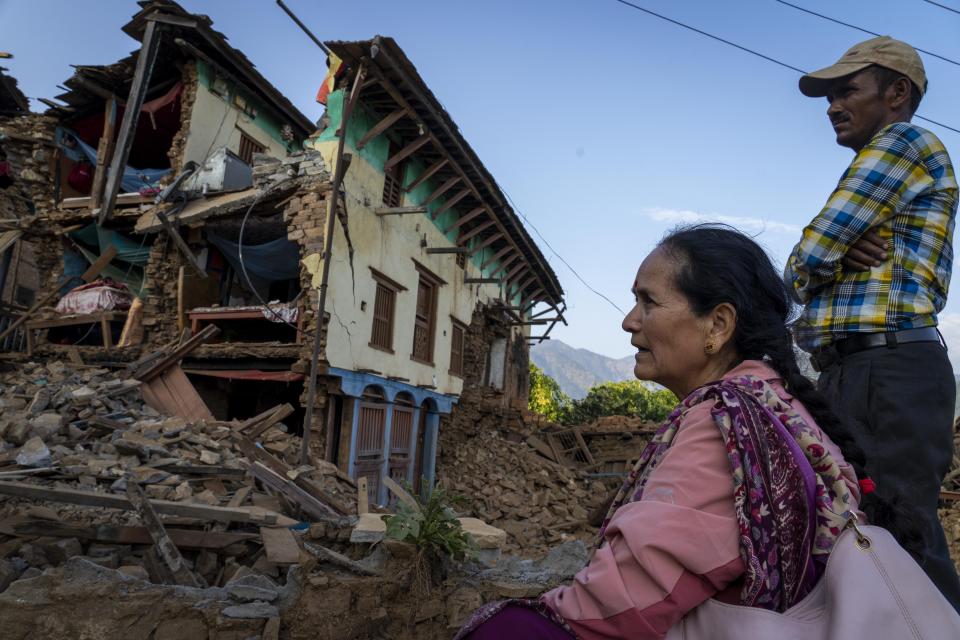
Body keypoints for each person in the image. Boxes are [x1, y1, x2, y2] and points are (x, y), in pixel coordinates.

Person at [455, 226, 919, 639]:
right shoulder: (778, 403)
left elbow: (613, 607)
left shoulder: (722, 424)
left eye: (648, 301)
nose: (629, 320)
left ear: (717, 324)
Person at [783, 35, 960, 608]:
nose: (832, 105)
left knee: (900, 537)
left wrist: (824, 257)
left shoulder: (902, 141)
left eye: (847, 90)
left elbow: (809, 253)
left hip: (886, 369)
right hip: (865, 368)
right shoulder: (886, 159)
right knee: (866, 535)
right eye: (828, 95)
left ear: (897, 92)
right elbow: (811, 261)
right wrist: (826, 256)